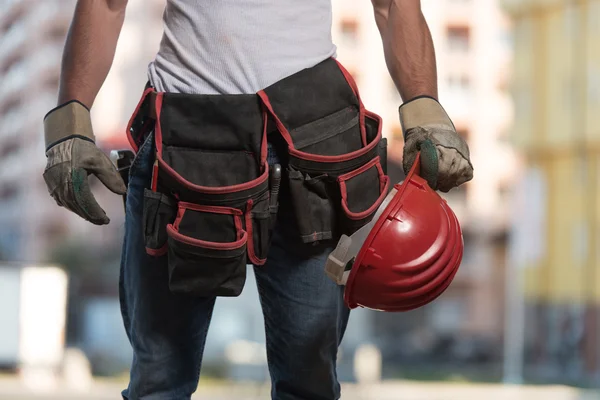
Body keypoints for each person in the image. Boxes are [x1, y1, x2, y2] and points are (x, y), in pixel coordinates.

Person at [42, 0, 473, 399]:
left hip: (313, 146)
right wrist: (71, 119)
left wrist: (424, 109)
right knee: (159, 380)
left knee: (310, 382)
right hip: (184, 143)